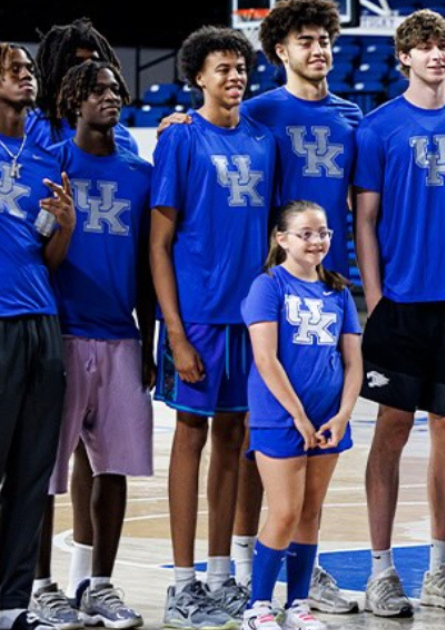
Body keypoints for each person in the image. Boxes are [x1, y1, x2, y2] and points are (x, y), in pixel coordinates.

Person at [354, 9, 445, 616]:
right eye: (425, 46)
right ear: (404, 57)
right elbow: (364, 219)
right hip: (401, 305)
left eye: (443, 45)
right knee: (388, 432)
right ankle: (381, 571)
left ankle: (440, 569)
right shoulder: (377, 127)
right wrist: (377, 298)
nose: (437, 54)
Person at [149, 26, 274, 629]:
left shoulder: (264, 141)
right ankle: (180, 584)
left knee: (233, 440)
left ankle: (221, 575)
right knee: (190, 436)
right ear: (197, 76)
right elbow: (159, 243)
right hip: (196, 318)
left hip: (247, 319)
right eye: (221, 68)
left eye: (240, 67)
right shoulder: (180, 140)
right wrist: (173, 332)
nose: (233, 77)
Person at [29, 60, 153, 630]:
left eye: (114, 89)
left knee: (114, 469)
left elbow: (152, 271)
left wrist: (150, 340)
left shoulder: (141, 172)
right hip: (61, 331)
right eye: (98, 90)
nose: (110, 97)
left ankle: (98, 586)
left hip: (120, 336)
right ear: (74, 102)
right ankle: (38, 586)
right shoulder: (54, 165)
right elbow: (36, 251)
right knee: (42, 472)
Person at [239, 201, 362, 630]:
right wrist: (298, 416)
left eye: (323, 232)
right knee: (286, 512)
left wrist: (344, 414)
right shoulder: (268, 286)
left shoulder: (339, 291)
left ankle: (297, 604)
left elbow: (353, 362)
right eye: (306, 233)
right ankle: (257, 606)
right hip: (280, 418)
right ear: (282, 238)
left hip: (328, 419)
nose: (317, 241)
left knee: (311, 513)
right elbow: (266, 358)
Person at [0, 41, 76, 630]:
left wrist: (67, 226)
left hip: (41, 321)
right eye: (13, 70)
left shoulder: (49, 156)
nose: (26, 77)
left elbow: (49, 253)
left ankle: (10, 605)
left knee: (31, 474)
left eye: (27, 70)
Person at [28, 19, 137, 153]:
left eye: (96, 62)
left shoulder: (124, 141)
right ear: (53, 71)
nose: (88, 71)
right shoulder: (27, 130)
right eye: (76, 63)